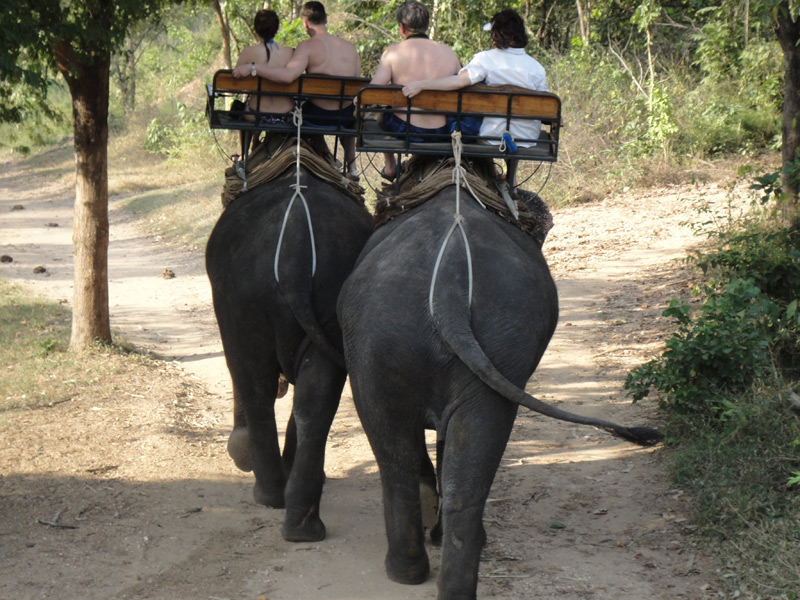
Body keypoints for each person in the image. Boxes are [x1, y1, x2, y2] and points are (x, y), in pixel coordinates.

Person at [402, 9, 548, 190]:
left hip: (491, 136)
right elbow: (547, 108)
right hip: (527, 138)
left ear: (496, 36)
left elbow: (459, 81)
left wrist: (422, 84)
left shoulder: (485, 59)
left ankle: (483, 175)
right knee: (514, 128)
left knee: (473, 125)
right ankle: (512, 180)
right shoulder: (537, 68)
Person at [233, 2, 361, 180]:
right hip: (346, 116)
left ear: (305, 23)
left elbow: (288, 76)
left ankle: (250, 156)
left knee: (300, 112)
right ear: (326, 19)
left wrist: (254, 68)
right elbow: (357, 86)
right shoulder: (350, 47)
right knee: (347, 114)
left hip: (318, 116)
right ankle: (351, 167)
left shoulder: (306, 47)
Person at [369, 1, 461, 181]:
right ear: (426, 26)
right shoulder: (449, 52)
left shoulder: (393, 52)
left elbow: (373, 92)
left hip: (406, 129)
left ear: (402, 28)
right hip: (441, 131)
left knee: (380, 114)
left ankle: (390, 167)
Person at [233, 9, 294, 124]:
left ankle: (246, 142)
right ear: (276, 29)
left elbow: (235, 82)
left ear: (256, 29)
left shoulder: (248, 52)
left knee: (242, 110)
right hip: (286, 114)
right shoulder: (290, 52)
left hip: (256, 114)